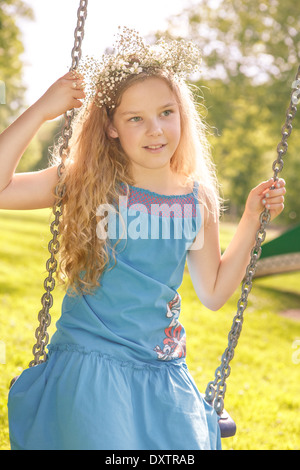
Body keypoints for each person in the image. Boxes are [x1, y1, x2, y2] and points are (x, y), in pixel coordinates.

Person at [1, 28, 286, 450]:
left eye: (166, 112)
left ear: (182, 115)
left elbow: (213, 291)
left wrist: (250, 219)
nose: (156, 130)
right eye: (136, 118)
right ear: (112, 127)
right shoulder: (87, 181)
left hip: (162, 369)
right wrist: (43, 109)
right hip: (89, 361)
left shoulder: (196, 199)